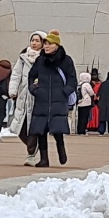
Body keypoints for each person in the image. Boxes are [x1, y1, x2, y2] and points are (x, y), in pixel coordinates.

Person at [27, 31, 76, 166]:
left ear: (57, 45)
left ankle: (61, 148)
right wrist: (34, 89)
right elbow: (31, 75)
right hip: (41, 99)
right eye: (45, 44)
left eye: (49, 44)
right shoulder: (40, 60)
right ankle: (44, 159)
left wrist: (65, 92)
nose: (46, 46)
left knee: (57, 129)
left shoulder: (66, 60)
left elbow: (72, 79)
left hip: (58, 100)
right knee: (40, 130)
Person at [8, 32, 45, 163]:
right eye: (32, 40)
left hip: (38, 98)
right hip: (23, 97)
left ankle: (31, 154)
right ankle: (33, 146)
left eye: (37, 41)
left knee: (33, 127)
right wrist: (13, 91)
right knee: (20, 128)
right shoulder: (23, 58)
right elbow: (16, 75)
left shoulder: (45, 58)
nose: (34, 43)